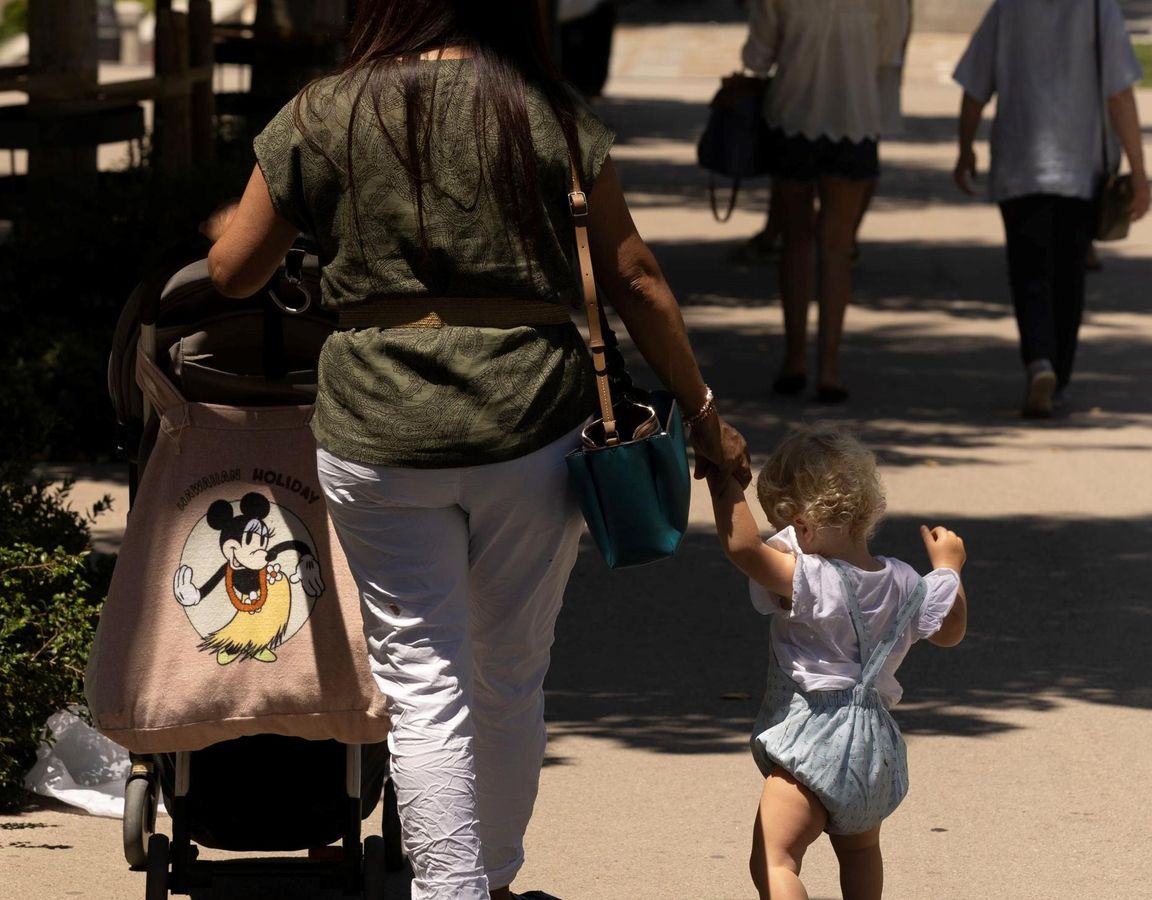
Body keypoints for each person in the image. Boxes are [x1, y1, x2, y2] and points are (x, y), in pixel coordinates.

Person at [204, 2, 752, 897]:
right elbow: (635, 276)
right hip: (530, 422)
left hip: (376, 429)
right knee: (509, 673)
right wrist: (701, 410)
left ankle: (454, 890)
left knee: (423, 682)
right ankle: (488, 880)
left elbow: (233, 271)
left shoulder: (322, 110)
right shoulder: (545, 110)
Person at [709, 425, 967, 900]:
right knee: (861, 853)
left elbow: (743, 547)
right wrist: (948, 570)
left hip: (813, 744)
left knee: (775, 859)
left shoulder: (809, 578)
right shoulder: (906, 581)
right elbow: (950, 631)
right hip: (874, 753)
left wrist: (723, 477)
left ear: (802, 527)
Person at [952, 0, 1152, 418]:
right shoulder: (1099, 9)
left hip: (1020, 164)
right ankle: (1057, 377)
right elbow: (1119, 93)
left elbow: (975, 85)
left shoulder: (1009, 8)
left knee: (1028, 273)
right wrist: (1139, 169)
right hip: (1079, 168)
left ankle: (1038, 361)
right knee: (1069, 276)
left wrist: (965, 147)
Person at [741, 0, 911, 403]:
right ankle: (830, 370)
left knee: (796, 242)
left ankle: (794, 359)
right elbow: (889, 50)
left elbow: (757, 55)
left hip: (792, 117)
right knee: (836, 247)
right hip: (856, 118)